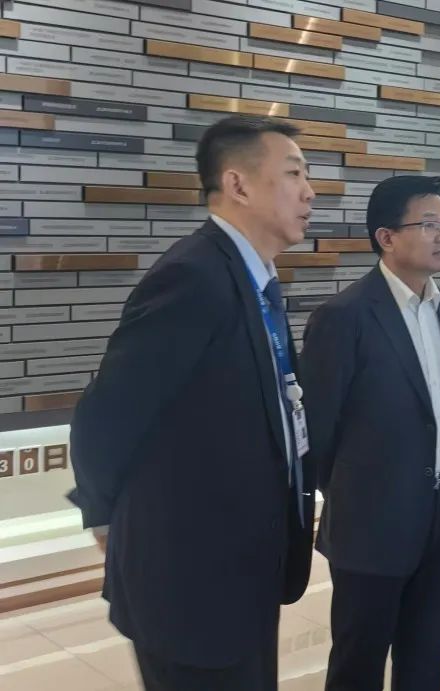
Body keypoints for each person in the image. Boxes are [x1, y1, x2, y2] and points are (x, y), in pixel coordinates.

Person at [67, 115, 317, 690]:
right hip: (189, 585)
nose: (310, 192)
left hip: (247, 568)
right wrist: (105, 517)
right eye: (294, 174)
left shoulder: (255, 280)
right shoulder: (193, 277)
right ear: (238, 184)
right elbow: (107, 414)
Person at [300, 175, 440, 690]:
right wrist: (359, 494)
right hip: (371, 524)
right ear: (387, 237)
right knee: (359, 665)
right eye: (429, 224)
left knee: (426, 661)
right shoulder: (343, 317)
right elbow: (319, 432)